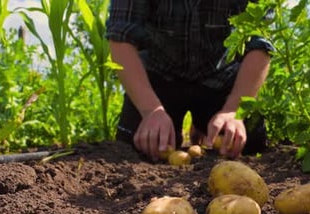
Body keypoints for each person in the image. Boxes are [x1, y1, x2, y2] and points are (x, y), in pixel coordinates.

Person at [106, 0, 274, 161]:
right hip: (158, 75)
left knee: (248, 146)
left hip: (220, 76)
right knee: (136, 149)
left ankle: (204, 121)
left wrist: (234, 110)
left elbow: (260, 42)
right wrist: (150, 111)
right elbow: (122, 38)